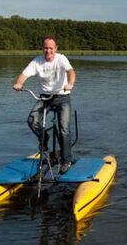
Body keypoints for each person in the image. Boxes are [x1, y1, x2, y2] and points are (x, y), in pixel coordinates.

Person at [13, 36, 76, 174]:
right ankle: (44, 139)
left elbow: (71, 72)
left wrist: (70, 84)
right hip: (45, 98)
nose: (48, 51)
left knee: (63, 128)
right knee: (32, 120)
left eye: (51, 48)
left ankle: (66, 160)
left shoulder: (61, 59)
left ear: (56, 48)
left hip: (62, 97)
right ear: (42, 48)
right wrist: (19, 83)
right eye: (46, 48)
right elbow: (24, 74)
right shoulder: (37, 61)